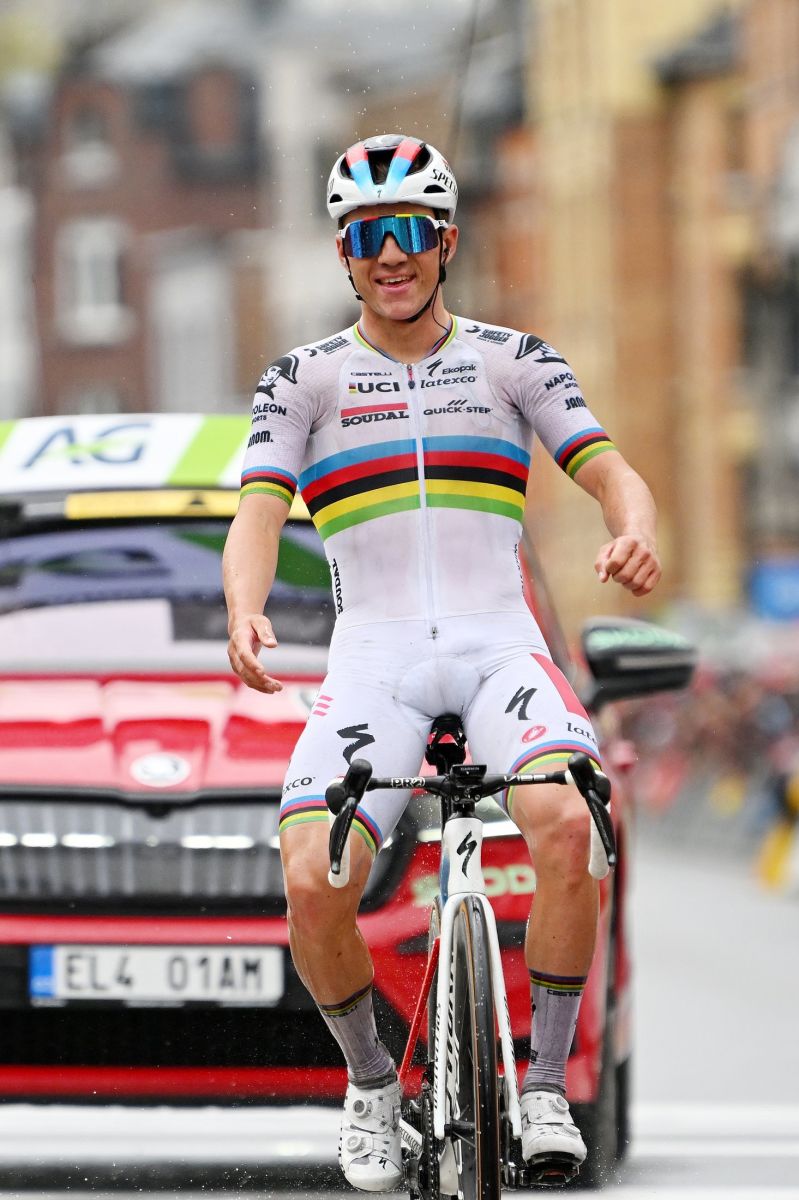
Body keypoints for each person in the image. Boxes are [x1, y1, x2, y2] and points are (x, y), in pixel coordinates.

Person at [223, 133, 661, 1190]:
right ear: (343, 252)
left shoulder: (515, 360)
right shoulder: (304, 378)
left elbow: (612, 471)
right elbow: (257, 512)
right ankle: (372, 1082)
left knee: (568, 827)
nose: (391, 254)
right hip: (372, 659)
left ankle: (543, 1085)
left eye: (410, 231)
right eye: (367, 235)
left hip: (495, 642)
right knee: (312, 876)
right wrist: (243, 610)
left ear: (446, 240)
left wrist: (634, 529)